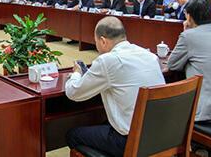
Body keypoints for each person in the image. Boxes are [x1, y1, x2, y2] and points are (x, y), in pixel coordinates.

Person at [65, 17, 165, 156]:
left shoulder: (107, 60)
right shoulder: (149, 55)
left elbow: (73, 92)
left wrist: (76, 74)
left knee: (73, 134)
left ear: (103, 41)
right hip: (163, 135)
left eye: (96, 42)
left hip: (131, 141)